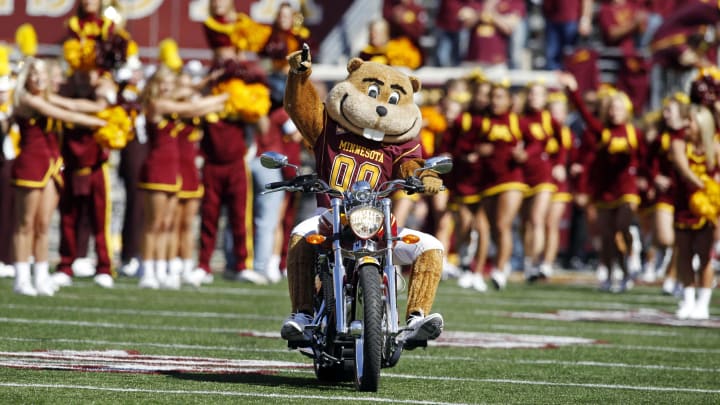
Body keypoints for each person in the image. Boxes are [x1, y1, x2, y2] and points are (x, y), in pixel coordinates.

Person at [11, 58, 106, 295]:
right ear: (27, 77)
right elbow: (66, 115)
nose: (39, 78)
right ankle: (22, 277)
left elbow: (74, 106)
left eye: (43, 74)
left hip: (52, 166)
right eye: (34, 74)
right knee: (25, 225)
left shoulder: (47, 97)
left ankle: (41, 276)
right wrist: (103, 123)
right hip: (31, 165)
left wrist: (105, 108)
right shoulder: (26, 98)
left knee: (43, 225)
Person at [199, 0, 271, 284]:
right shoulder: (209, 79)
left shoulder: (249, 78)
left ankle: (242, 264)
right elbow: (194, 104)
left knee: (241, 217)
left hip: (237, 158)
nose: (224, 55)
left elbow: (263, 124)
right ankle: (202, 265)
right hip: (210, 157)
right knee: (208, 215)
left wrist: (247, 106)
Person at [137, 66, 227, 289]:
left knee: (168, 224)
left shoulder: (173, 105)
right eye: (162, 83)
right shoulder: (157, 104)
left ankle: (164, 269)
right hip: (157, 168)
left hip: (174, 170)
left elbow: (191, 102)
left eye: (169, 83)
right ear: (154, 86)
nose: (166, 87)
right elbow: (194, 107)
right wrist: (225, 96)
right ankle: (148, 270)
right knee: (154, 224)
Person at [560, 73, 643, 292]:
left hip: (627, 188)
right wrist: (572, 91)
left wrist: (648, 180)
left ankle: (631, 259)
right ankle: (613, 271)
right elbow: (584, 115)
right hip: (604, 189)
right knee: (607, 237)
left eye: (619, 108)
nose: (615, 112)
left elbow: (646, 158)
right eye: (612, 108)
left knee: (623, 228)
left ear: (627, 110)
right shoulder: (601, 131)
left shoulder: (634, 133)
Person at [456, 80, 528, 289]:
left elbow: (538, 144)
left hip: (511, 180)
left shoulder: (517, 122)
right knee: (481, 227)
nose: (494, 101)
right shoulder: (482, 122)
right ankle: (477, 271)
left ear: (508, 101)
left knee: (502, 224)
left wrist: (524, 154)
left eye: (499, 97)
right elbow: (463, 145)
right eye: (492, 97)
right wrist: (477, 150)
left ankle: (499, 269)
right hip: (486, 182)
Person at [671, 104, 718, 320]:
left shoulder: (715, 148)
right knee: (684, 253)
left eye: (690, 121)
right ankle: (688, 299)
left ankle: (703, 302)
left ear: (701, 123)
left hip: (707, 210)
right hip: (683, 204)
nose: (686, 125)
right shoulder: (679, 144)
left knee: (704, 255)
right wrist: (705, 185)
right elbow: (683, 169)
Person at [519, 82, 566, 281]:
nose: (533, 98)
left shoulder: (549, 120)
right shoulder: (520, 119)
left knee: (539, 219)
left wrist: (559, 164)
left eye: (538, 95)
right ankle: (530, 261)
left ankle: (540, 262)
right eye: (531, 94)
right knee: (526, 223)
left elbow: (562, 144)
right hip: (523, 175)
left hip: (544, 175)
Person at [542, 0, 593, 70]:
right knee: (552, 56)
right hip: (552, 20)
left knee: (570, 57)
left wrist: (585, 20)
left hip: (571, 20)